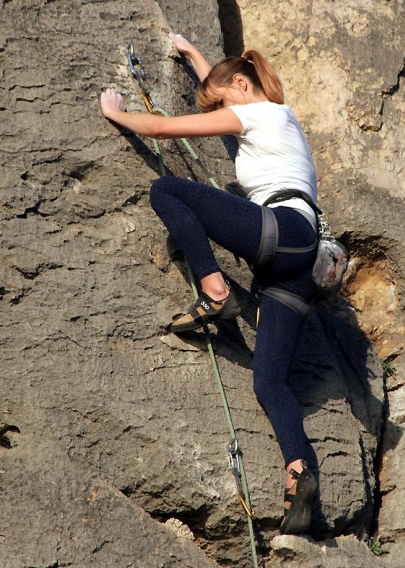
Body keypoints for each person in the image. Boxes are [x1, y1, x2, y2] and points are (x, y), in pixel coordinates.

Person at [101, 32, 319, 534]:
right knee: (271, 383)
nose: (220, 111)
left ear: (241, 85)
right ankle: (300, 476)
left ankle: (213, 289)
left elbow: (162, 129)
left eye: (221, 100)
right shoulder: (278, 119)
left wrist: (117, 113)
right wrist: (197, 58)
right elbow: (227, 97)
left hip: (279, 232)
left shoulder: (256, 114)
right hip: (298, 260)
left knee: (166, 190)